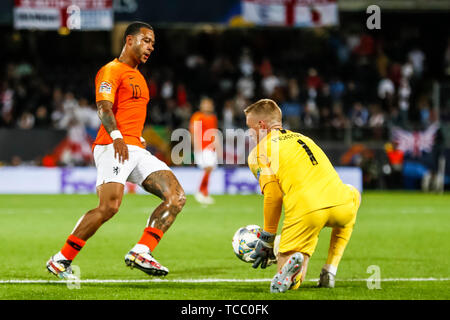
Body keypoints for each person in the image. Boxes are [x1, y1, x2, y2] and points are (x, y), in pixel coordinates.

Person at [46, 22, 186, 279]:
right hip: (113, 146)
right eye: (146, 40)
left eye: (153, 43)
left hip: (134, 147)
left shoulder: (140, 77)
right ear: (129, 40)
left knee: (176, 196)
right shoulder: (111, 70)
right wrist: (118, 137)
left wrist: (135, 136)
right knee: (109, 207)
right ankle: (61, 259)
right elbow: (103, 107)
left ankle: (142, 251)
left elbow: (129, 114)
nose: (150, 47)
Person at [244, 99, 360, 293]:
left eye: (249, 128)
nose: (249, 133)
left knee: (287, 281)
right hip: (342, 205)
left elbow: (273, 195)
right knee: (354, 194)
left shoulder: (259, 152)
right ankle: (329, 270)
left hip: (307, 211)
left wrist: (267, 239)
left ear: (261, 125)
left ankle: (293, 271)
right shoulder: (303, 138)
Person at [189, 97, 219, 205]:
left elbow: (214, 133)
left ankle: (204, 192)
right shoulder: (197, 116)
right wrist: (195, 147)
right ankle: (201, 192)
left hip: (211, 147)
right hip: (201, 147)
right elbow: (193, 131)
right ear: (201, 106)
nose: (207, 106)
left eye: (209, 104)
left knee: (209, 169)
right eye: (205, 104)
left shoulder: (213, 117)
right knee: (207, 168)